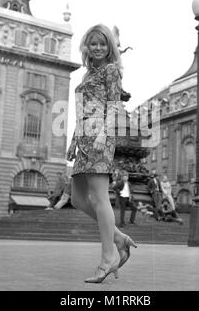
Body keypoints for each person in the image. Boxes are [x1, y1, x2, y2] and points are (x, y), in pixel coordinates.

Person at [66, 24, 137, 283]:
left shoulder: (111, 71)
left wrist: (102, 136)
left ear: (110, 47)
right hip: (84, 137)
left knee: (98, 198)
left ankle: (109, 257)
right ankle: (118, 238)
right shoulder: (87, 75)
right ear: (87, 45)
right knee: (77, 199)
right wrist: (75, 138)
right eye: (93, 43)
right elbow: (82, 109)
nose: (97, 48)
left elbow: (115, 107)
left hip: (99, 138)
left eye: (103, 44)